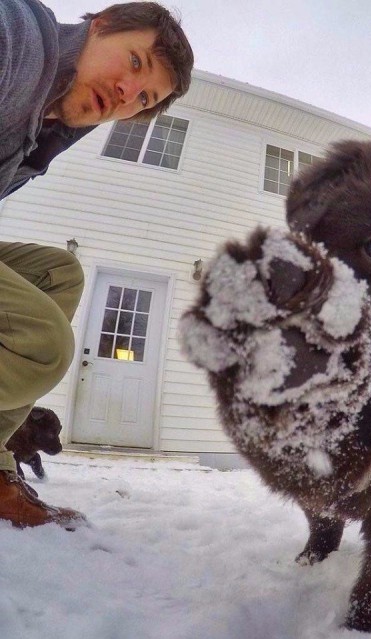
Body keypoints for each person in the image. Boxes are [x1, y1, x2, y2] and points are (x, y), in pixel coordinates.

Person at [0, 0, 194, 528]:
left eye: (146, 97)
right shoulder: (19, 42)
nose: (128, 94)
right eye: (135, 62)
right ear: (100, 23)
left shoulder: (50, 125)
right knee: (44, 342)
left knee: (57, 272)